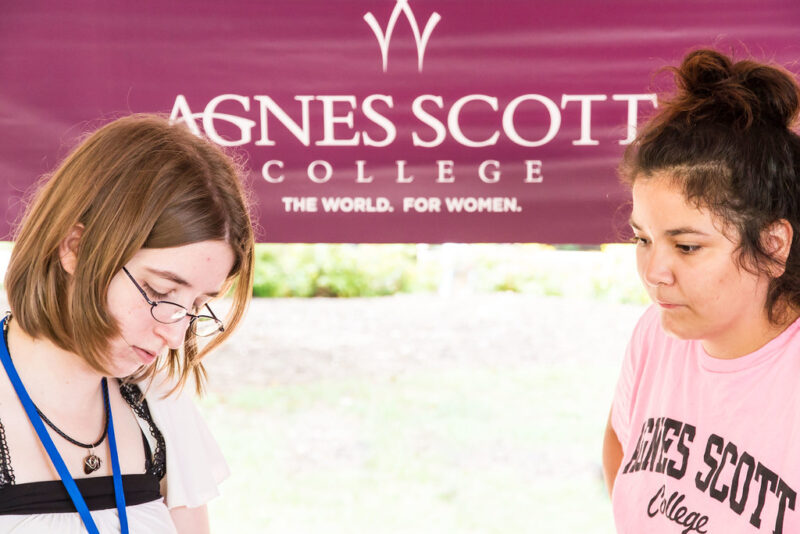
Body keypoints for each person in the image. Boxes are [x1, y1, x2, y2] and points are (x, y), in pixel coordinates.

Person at [0, 114, 254, 533]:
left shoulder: (158, 404)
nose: (174, 336)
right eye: (158, 292)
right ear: (76, 247)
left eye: (196, 306)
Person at [602, 49, 800, 533]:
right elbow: (618, 443)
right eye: (642, 239)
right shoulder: (657, 330)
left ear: (772, 246)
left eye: (687, 246)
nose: (655, 273)